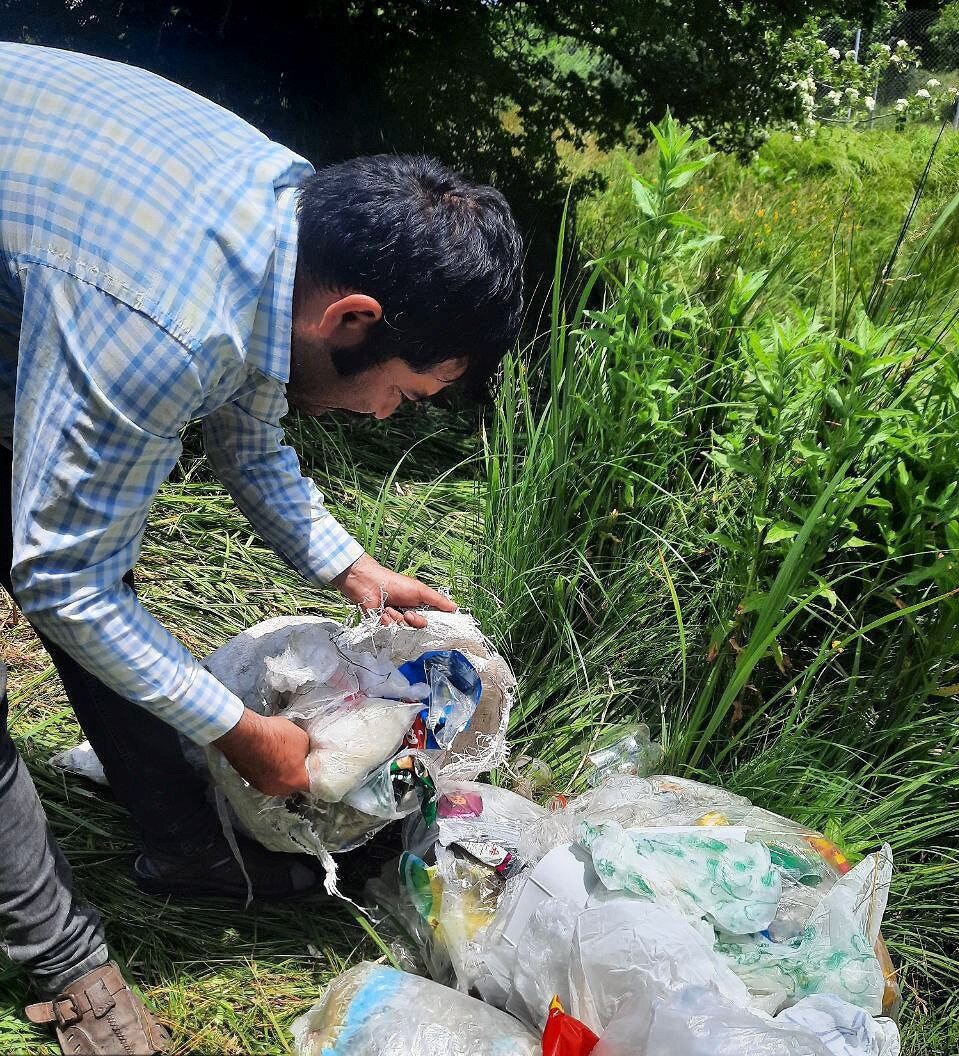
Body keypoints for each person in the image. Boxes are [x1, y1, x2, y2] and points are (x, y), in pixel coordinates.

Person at [0, 42, 523, 1055]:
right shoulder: (168, 325)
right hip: (84, 273)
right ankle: (67, 964)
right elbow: (59, 578)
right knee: (82, 572)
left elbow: (249, 420)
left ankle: (185, 847)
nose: (380, 417)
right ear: (354, 319)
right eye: (399, 393)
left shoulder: (283, 224)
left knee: (93, 559)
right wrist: (239, 729)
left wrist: (350, 567)